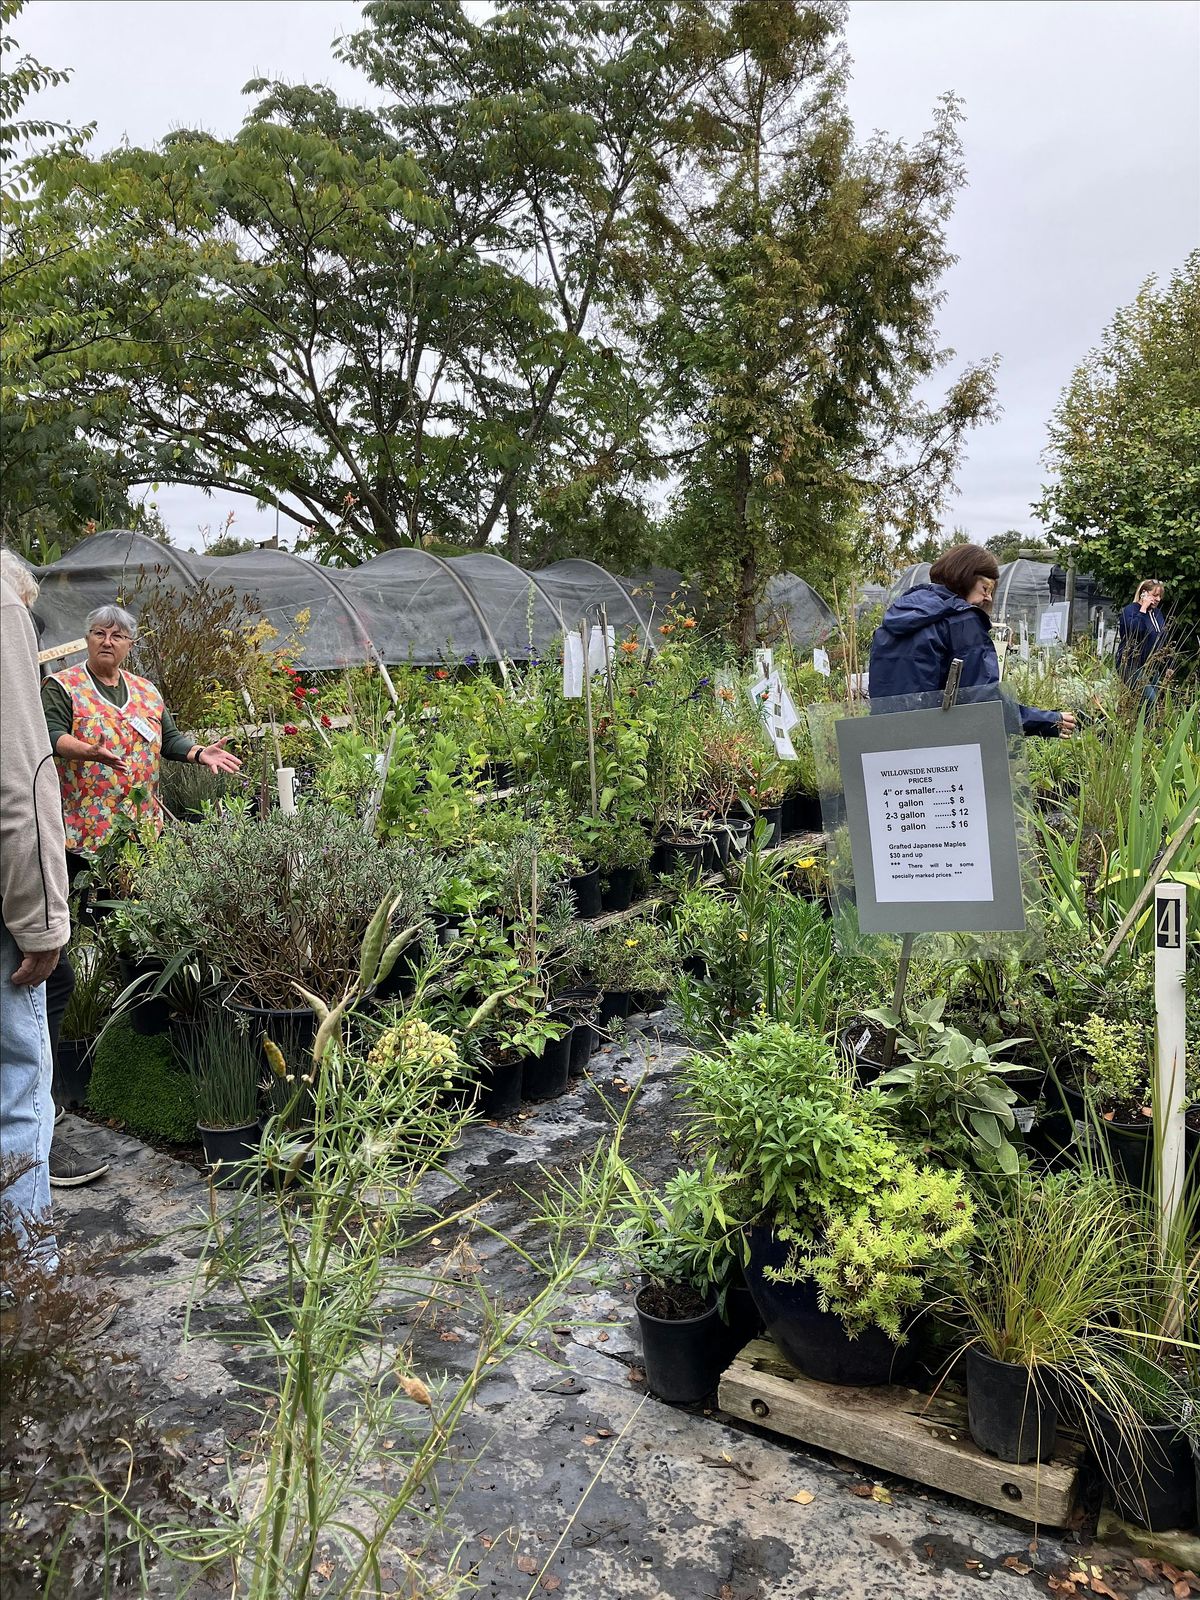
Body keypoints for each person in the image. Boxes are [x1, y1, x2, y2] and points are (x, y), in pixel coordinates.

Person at [42, 603, 243, 855]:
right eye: (99, 634)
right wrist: (87, 750)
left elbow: (168, 740)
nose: (107, 642)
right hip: (86, 825)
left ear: (130, 645)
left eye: (117, 636)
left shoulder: (146, 690)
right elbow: (50, 736)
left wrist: (199, 752)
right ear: (87, 639)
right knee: (95, 893)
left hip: (143, 823)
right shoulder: (62, 686)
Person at [0, 565, 70, 1260]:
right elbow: (22, 773)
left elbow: (164, 735)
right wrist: (44, 923)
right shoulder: (1, 602)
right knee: (17, 1087)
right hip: (10, 892)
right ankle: (29, 1291)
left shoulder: (143, 690)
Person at [869, 544, 1076, 737]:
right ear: (965, 578)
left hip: (887, 741)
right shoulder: (962, 621)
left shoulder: (897, 617)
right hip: (936, 746)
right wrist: (1046, 721)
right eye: (985, 588)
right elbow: (982, 700)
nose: (988, 598)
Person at [1116, 579, 1167, 705]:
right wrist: (1143, 609)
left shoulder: (1158, 614)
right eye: (1155, 595)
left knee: (1157, 702)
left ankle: (1145, 724)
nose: (1158, 599)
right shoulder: (1129, 610)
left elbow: (1163, 639)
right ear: (1144, 593)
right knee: (1150, 700)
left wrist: (1169, 666)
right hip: (1129, 663)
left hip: (1151, 665)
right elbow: (1134, 631)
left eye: (1160, 596)